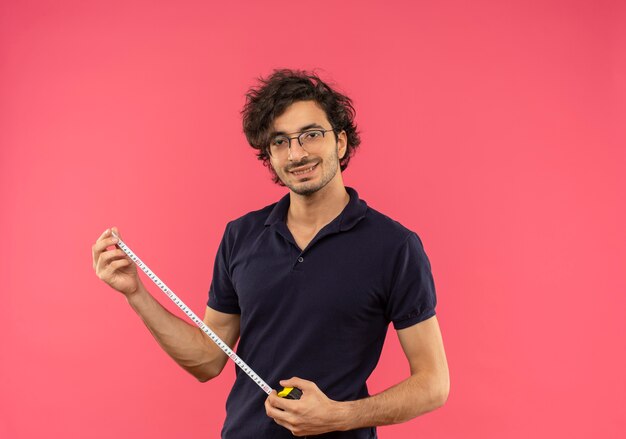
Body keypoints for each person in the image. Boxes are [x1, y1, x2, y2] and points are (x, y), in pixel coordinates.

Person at [92, 69, 449, 438]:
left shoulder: (393, 246)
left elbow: (433, 383)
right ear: (269, 155)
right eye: (280, 142)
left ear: (340, 142)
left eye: (311, 135)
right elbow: (206, 359)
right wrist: (136, 293)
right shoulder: (241, 236)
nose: (296, 153)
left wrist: (340, 416)